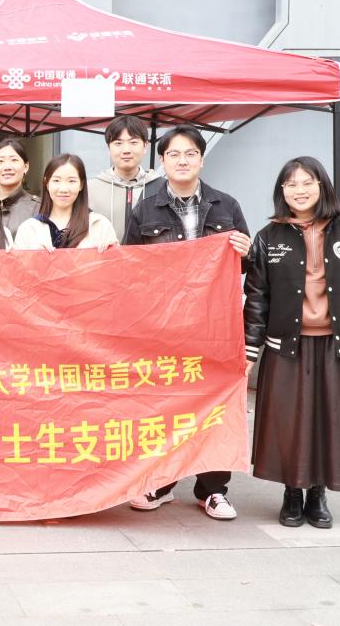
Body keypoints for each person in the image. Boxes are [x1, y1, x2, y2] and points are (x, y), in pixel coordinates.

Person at [124, 124, 252, 521]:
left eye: (190, 153)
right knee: (166, 404)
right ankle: (162, 482)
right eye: (174, 154)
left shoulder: (226, 206)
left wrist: (247, 251)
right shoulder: (145, 209)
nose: (182, 160)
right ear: (162, 161)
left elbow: (247, 266)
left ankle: (212, 490)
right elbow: (131, 270)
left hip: (214, 327)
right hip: (165, 328)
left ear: (201, 159)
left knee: (214, 403)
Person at [245, 157, 340, 529]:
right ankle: (292, 493)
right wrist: (250, 349)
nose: (299, 190)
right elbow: (257, 296)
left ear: (322, 186)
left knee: (327, 419)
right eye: (291, 184)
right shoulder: (268, 236)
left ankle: (318, 494)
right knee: (288, 422)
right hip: (285, 345)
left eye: (307, 182)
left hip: (336, 346)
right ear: (282, 191)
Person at [14, 154, 118, 250]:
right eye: (56, 180)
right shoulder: (28, 229)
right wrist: (34, 258)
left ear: (81, 184)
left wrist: (107, 251)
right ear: (47, 183)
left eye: (71, 181)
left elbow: (114, 262)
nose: (63, 189)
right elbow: (18, 264)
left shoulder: (99, 225)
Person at [88, 115, 163, 240]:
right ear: (108, 148)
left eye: (133, 142)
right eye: (118, 143)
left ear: (145, 146)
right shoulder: (90, 189)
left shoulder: (162, 188)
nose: (126, 150)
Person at [0, 138, 39, 238]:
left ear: (26, 167)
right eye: (0, 161)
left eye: (14, 160)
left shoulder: (38, 207)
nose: (7, 167)